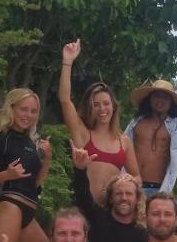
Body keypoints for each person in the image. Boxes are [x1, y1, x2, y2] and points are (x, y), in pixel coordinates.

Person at [58, 40, 140, 205]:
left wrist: (128, 182)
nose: (102, 109)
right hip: (85, 208)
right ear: (89, 108)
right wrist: (67, 61)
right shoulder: (82, 133)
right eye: (96, 105)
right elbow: (65, 100)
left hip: (113, 213)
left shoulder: (124, 141)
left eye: (106, 103)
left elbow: (137, 177)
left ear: (114, 106)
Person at [0, 88, 52, 242]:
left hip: (29, 211)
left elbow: (36, 183)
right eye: (23, 109)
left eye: (33, 111)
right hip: (9, 208)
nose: (28, 115)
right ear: (12, 108)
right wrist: (6, 175)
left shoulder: (31, 143)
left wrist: (47, 159)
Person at [125, 79, 177, 197]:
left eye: (165, 97)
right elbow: (122, 149)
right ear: (150, 99)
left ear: (171, 102)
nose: (160, 100)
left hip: (160, 190)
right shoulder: (135, 123)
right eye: (156, 96)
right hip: (132, 186)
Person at [70, 145, 147, 242]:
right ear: (111, 198)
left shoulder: (141, 235)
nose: (123, 198)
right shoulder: (96, 217)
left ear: (137, 199)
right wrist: (80, 170)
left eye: (128, 194)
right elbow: (83, 194)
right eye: (118, 193)